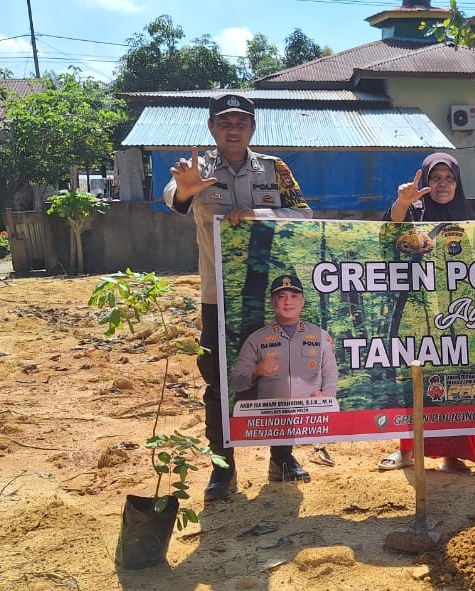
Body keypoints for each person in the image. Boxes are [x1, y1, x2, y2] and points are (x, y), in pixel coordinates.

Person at [164, 93, 314, 500]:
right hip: (219, 297)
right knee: (217, 382)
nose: (234, 129)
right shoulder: (196, 170)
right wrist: (185, 190)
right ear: (212, 128)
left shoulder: (275, 168)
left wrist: (257, 214)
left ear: (252, 128)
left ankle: (282, 457)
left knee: (281, 379)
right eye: (225, 122)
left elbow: (303, 214)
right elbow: (174, 199)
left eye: (242, 122)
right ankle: (222, 468)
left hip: (271, 296)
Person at [377, 152, 475, 474]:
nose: (442, 184)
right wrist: (401, 205)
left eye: (449, 178)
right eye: (435, 178)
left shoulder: (467, 214)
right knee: (416, 379)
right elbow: (389, 235)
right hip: (418, 312)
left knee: (457, 382)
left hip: (458, 315)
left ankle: (454, 454)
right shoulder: (414, 212)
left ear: (458, 182)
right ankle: (407, 451)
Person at [229, 275, 338, 482]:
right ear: (272, 303)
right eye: (281, 296)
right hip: (272, 417)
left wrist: (326, 395)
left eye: (294, 295)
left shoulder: (320, 336)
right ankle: (280, 460)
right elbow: (236, 381)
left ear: (303, 301)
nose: (288, 301)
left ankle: (283, 461)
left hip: (311, 416)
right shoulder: (257, 339)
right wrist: (257, 371)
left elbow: (331, 373)